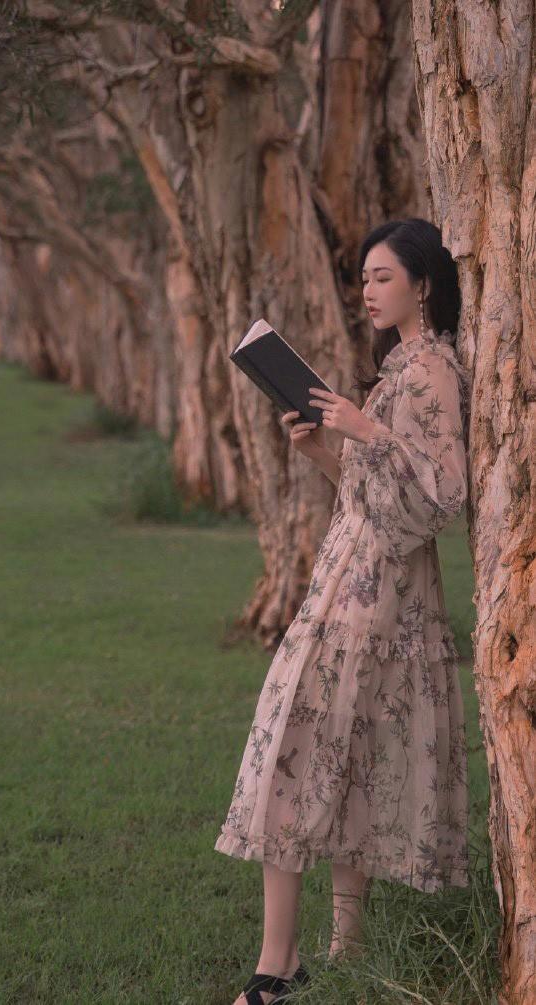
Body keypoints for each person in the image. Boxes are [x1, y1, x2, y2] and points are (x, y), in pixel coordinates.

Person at [215, 218, 473, 1005]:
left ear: (423, 284)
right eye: (363, 277)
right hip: (351, 581)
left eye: (383, 276)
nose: (367, 290)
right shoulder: (397, 369)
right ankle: (342, 947)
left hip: (378, 598)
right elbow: (373, 498)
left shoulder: (432, 373)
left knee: (297, 747)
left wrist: (365, 430)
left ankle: (277, 965)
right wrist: (325, 451)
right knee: (340, 753)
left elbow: (442, 500)